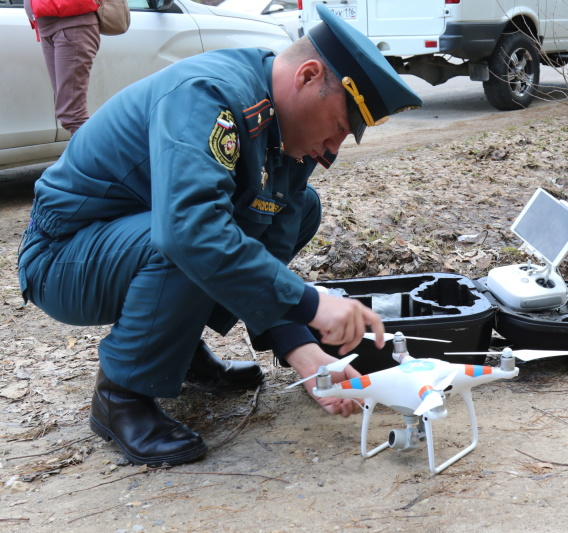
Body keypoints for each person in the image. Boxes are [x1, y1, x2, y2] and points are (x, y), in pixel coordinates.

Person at [17, 4, 422, 467]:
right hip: (62, 257)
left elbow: (270, 244)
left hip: (123, 243)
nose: (333, 148)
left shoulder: (289, 129)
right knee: (188, 235)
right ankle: (121, 397)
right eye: (338, 127)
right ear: (308, 76)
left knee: (300, 209)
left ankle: (179, 348)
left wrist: (307, 356)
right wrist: (312, 303)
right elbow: (189, 230)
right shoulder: (209, 95)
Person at [24, 0, 101, 134]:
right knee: (69, 114)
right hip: (45, 25)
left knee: (72, 115)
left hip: (72, 23)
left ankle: (102, 153)